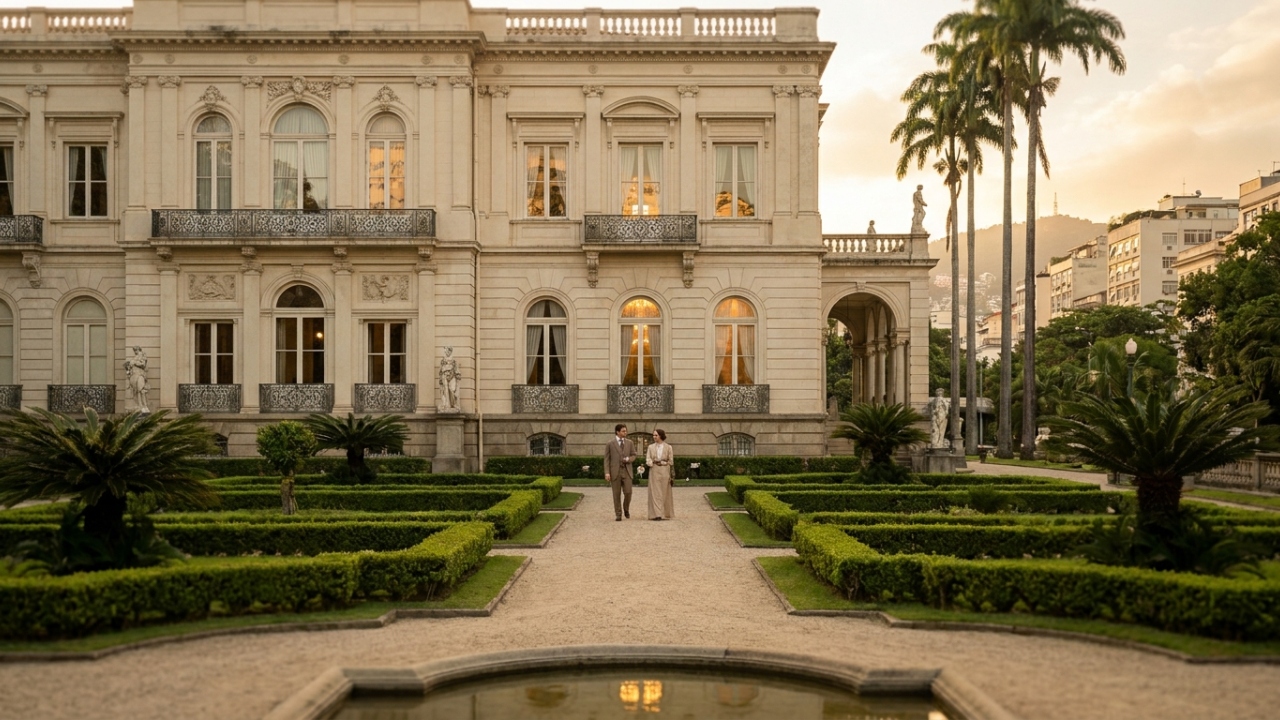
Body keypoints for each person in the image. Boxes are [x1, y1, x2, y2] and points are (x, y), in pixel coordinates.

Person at [603, 424, 635, 521]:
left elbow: (634, 455)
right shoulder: (610, 443)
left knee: (628, 492)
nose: (625, 432)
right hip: (615, 472)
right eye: (623, 431)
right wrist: (607, 472)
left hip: (627, 471)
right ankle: (618, 514)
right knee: (616, 494)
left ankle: (626, 508)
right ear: (617, 432)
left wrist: (629, 459)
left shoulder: (630, 443)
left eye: (626, 431)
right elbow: (606, 459)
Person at [646, 429, 674, 520]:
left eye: (656, 435)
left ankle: (664, 513)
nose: (654, 437)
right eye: (653, 435)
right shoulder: (650, 447)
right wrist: (651, 463)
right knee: (655, 492)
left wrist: (663, 463)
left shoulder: (668, 447)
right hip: (654, 470)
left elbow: (671, 461)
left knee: (664, 492)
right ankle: (656, 514)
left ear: (661, 436)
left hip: (665, 470)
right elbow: (648, 459)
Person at [124, 346, 150, 413]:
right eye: (134, 350)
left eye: (136, 350)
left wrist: (135, 363)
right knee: (136, 391)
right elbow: (131, 367)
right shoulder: (135, 357)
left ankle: (145, 406)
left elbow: (143, 364)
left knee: (141, 390)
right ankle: (140, 405)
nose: (135, 351)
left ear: (139, 350)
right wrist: (128, 368)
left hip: (140, 374)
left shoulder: (143, 355)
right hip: (134, 375)